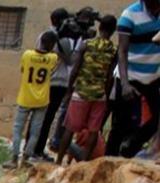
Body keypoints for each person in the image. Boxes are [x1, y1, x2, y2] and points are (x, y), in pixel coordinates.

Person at [56, 14, 119, 164]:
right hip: (99, 95)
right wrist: (105, 93)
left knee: (70, 128)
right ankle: (84, 164)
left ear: (99, 27)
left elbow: (76, 69)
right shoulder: (113, 50)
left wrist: (69, 89)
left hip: (81, 92)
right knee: (93, 130)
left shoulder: (86, 44)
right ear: (113, 31)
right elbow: (110, 75)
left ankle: (58, 162)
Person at [7, 31, 61, 167]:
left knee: (18, 129)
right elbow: (53, 68)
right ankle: (26, 158)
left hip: (25, 97)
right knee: (35, 132)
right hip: (42, 99)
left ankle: (14, 159)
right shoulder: (53, 58)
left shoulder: (27, 55)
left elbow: (23, 70)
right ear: (51, 45)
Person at [117, 0, 160, 159]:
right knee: (122, 124)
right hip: (131, 75)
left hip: (153, 76)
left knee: (155, 121)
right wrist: (125, 83)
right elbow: (122, 51)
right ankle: (111, 159)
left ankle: (130, 151)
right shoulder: (129, 15)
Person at [34, 9, 78, 159]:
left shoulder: (44, 36)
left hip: (46, 81)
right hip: (56, 82)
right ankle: (37, 150)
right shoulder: (58, 39)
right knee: (47, 118)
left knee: (41, 117)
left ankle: (33, 148)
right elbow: (70, 60)